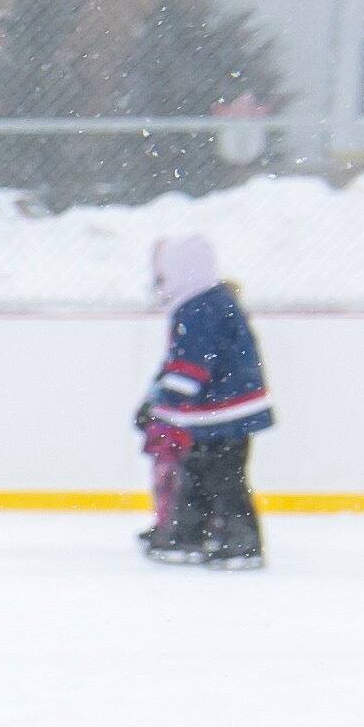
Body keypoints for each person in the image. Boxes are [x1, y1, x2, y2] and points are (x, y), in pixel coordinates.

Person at [138, 232, 269, 570]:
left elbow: (192, 363)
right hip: (212, 414)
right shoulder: (205, 303)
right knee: (197, 473)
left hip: (225, 413)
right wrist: (158, 399)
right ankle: (190, 534)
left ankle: (242, 542)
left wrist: (163, 402)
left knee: (222, 477)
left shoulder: (199, 308)